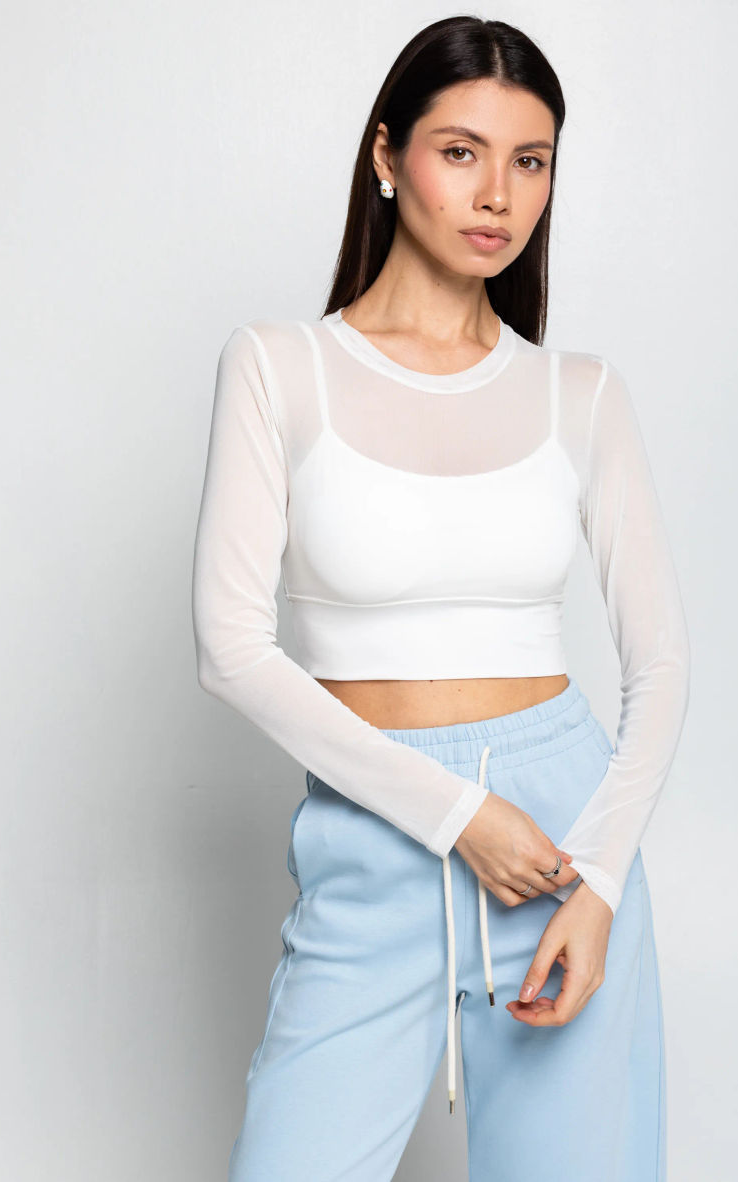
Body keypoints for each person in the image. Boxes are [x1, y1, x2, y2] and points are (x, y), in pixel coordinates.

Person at [191, 15, 690, 1182]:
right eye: (460, 151)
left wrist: (599, 880)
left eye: (530, 160)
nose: (498, 194)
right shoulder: (280, 367)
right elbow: (230, 648)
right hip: (378, 831)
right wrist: (460, 815)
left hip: (561, 847)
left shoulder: (580, 393)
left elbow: (661, 663)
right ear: (387, 154)